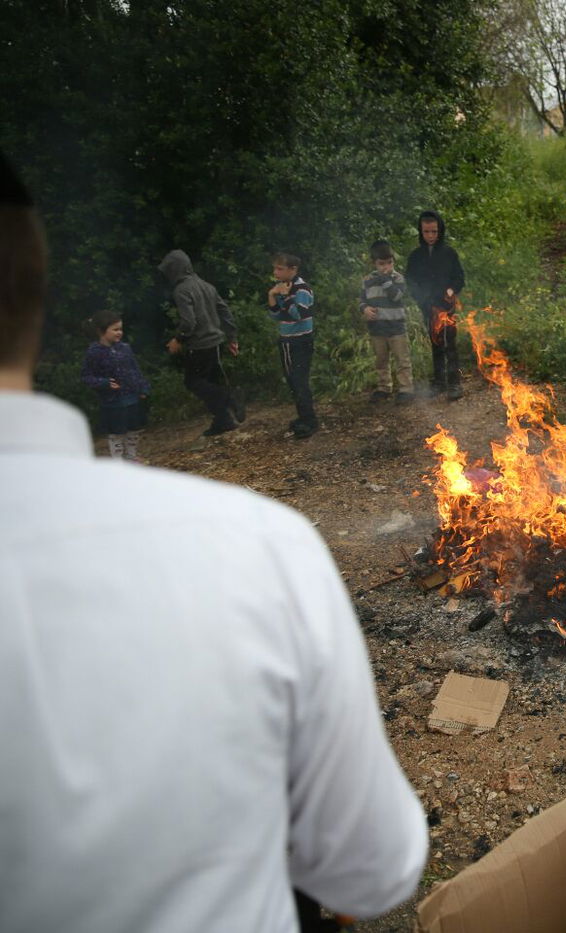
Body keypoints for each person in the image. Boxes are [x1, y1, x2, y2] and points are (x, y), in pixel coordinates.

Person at [0, 155, 427, 931]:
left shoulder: (262, 545)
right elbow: (376, 870)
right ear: (31, 297)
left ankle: (237, 410)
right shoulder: (256, 547)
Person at [159, 248, 243, 436]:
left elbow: (189, 322)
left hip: (199, 345)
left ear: (174, 269)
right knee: (210, 382)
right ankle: (223, 420)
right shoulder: (206, 285)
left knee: (193, 382)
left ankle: (229, 397)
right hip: (215, 343)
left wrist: (178, 339)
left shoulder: (181, 290)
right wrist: (232, 338)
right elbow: (225, 311)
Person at [405, 209, 465, 400]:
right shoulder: (415, 256)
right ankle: (439, 382)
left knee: (450, 344)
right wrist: (420, 299)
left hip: (446, 307)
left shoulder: (449, 253)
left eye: (434, 232)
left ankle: (454, 383)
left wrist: (451, 289)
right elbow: (410, 281)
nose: (430, 236)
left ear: (440, 231)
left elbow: (459, 277)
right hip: (427, 307)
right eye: (426, 232)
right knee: (435, 344)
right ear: (421, 231)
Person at [79, 309, 151, 462]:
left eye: (121, 329)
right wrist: (104, 383)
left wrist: (143, 387)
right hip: (112, 401)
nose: (119, 333)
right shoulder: (94, 352)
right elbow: (86, 376)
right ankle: (118, 462)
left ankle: (131, 457)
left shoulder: (125, 348)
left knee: (133, 429)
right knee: (116, 433)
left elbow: (135, 370)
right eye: (115, 329)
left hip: (132, 397)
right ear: (101, 331)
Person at [268, 251, 318, 439]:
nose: (276, 272)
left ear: (293, 269)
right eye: (275, 268)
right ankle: (304, 417)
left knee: (298, 381)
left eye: (280, 269)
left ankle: (309, 421)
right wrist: (272, 295)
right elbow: (276, 315)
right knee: (293, 381)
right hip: (287, 339)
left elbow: (298, 314)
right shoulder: (284, 287)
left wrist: (286, 295)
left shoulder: (301, 289)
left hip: (298, 340)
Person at [361, 239, 415, 403]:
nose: (386, 267)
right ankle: (384, 388)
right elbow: (362, 300)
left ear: (393, 261)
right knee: (381, 360)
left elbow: (396, 296)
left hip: (396, 327)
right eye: (381, 264)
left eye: (389, 263)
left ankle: (406, 389)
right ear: (374, 263)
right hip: (377, 327)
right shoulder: (367, 280)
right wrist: (364, 309)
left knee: (402, 359)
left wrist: (385, 280)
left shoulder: (398, 278)